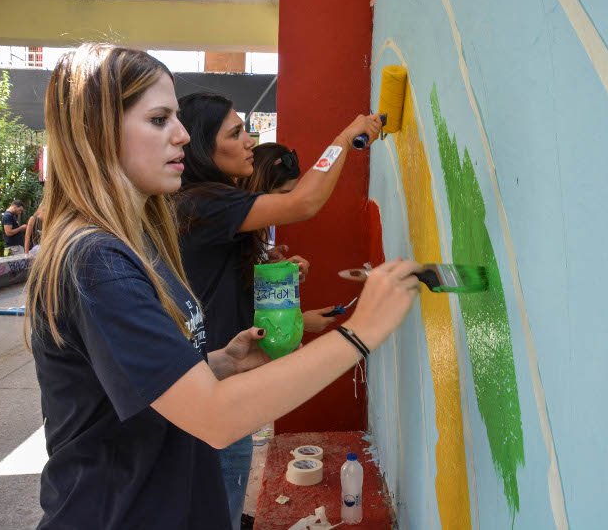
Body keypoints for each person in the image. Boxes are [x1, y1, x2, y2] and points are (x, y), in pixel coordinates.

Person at [25, 43, 419, 530]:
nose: (182, 136)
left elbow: (131, 386)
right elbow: (213, 418)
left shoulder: (138, 242)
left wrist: (219, 363)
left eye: (178, 118)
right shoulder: (96, 262)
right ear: (97, 134)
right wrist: (361, 332)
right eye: (159, 120)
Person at [175, 93, 382, 529]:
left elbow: (217, 282)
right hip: (211, 379)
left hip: (222, 371)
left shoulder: (208, 200)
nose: (250, 140)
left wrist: (272, 274)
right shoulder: (199, 202)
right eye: (235, 133)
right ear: (201, 150)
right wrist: (346, 138)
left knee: (222, 498)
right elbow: (305, 202)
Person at [239, 142, 340, 334]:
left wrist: (270, 270)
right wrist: (300, 323)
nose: (289, 205)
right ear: (259, 190)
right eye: (285, 196)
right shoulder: (234, 235)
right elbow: (238, 315)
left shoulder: (249, 234)